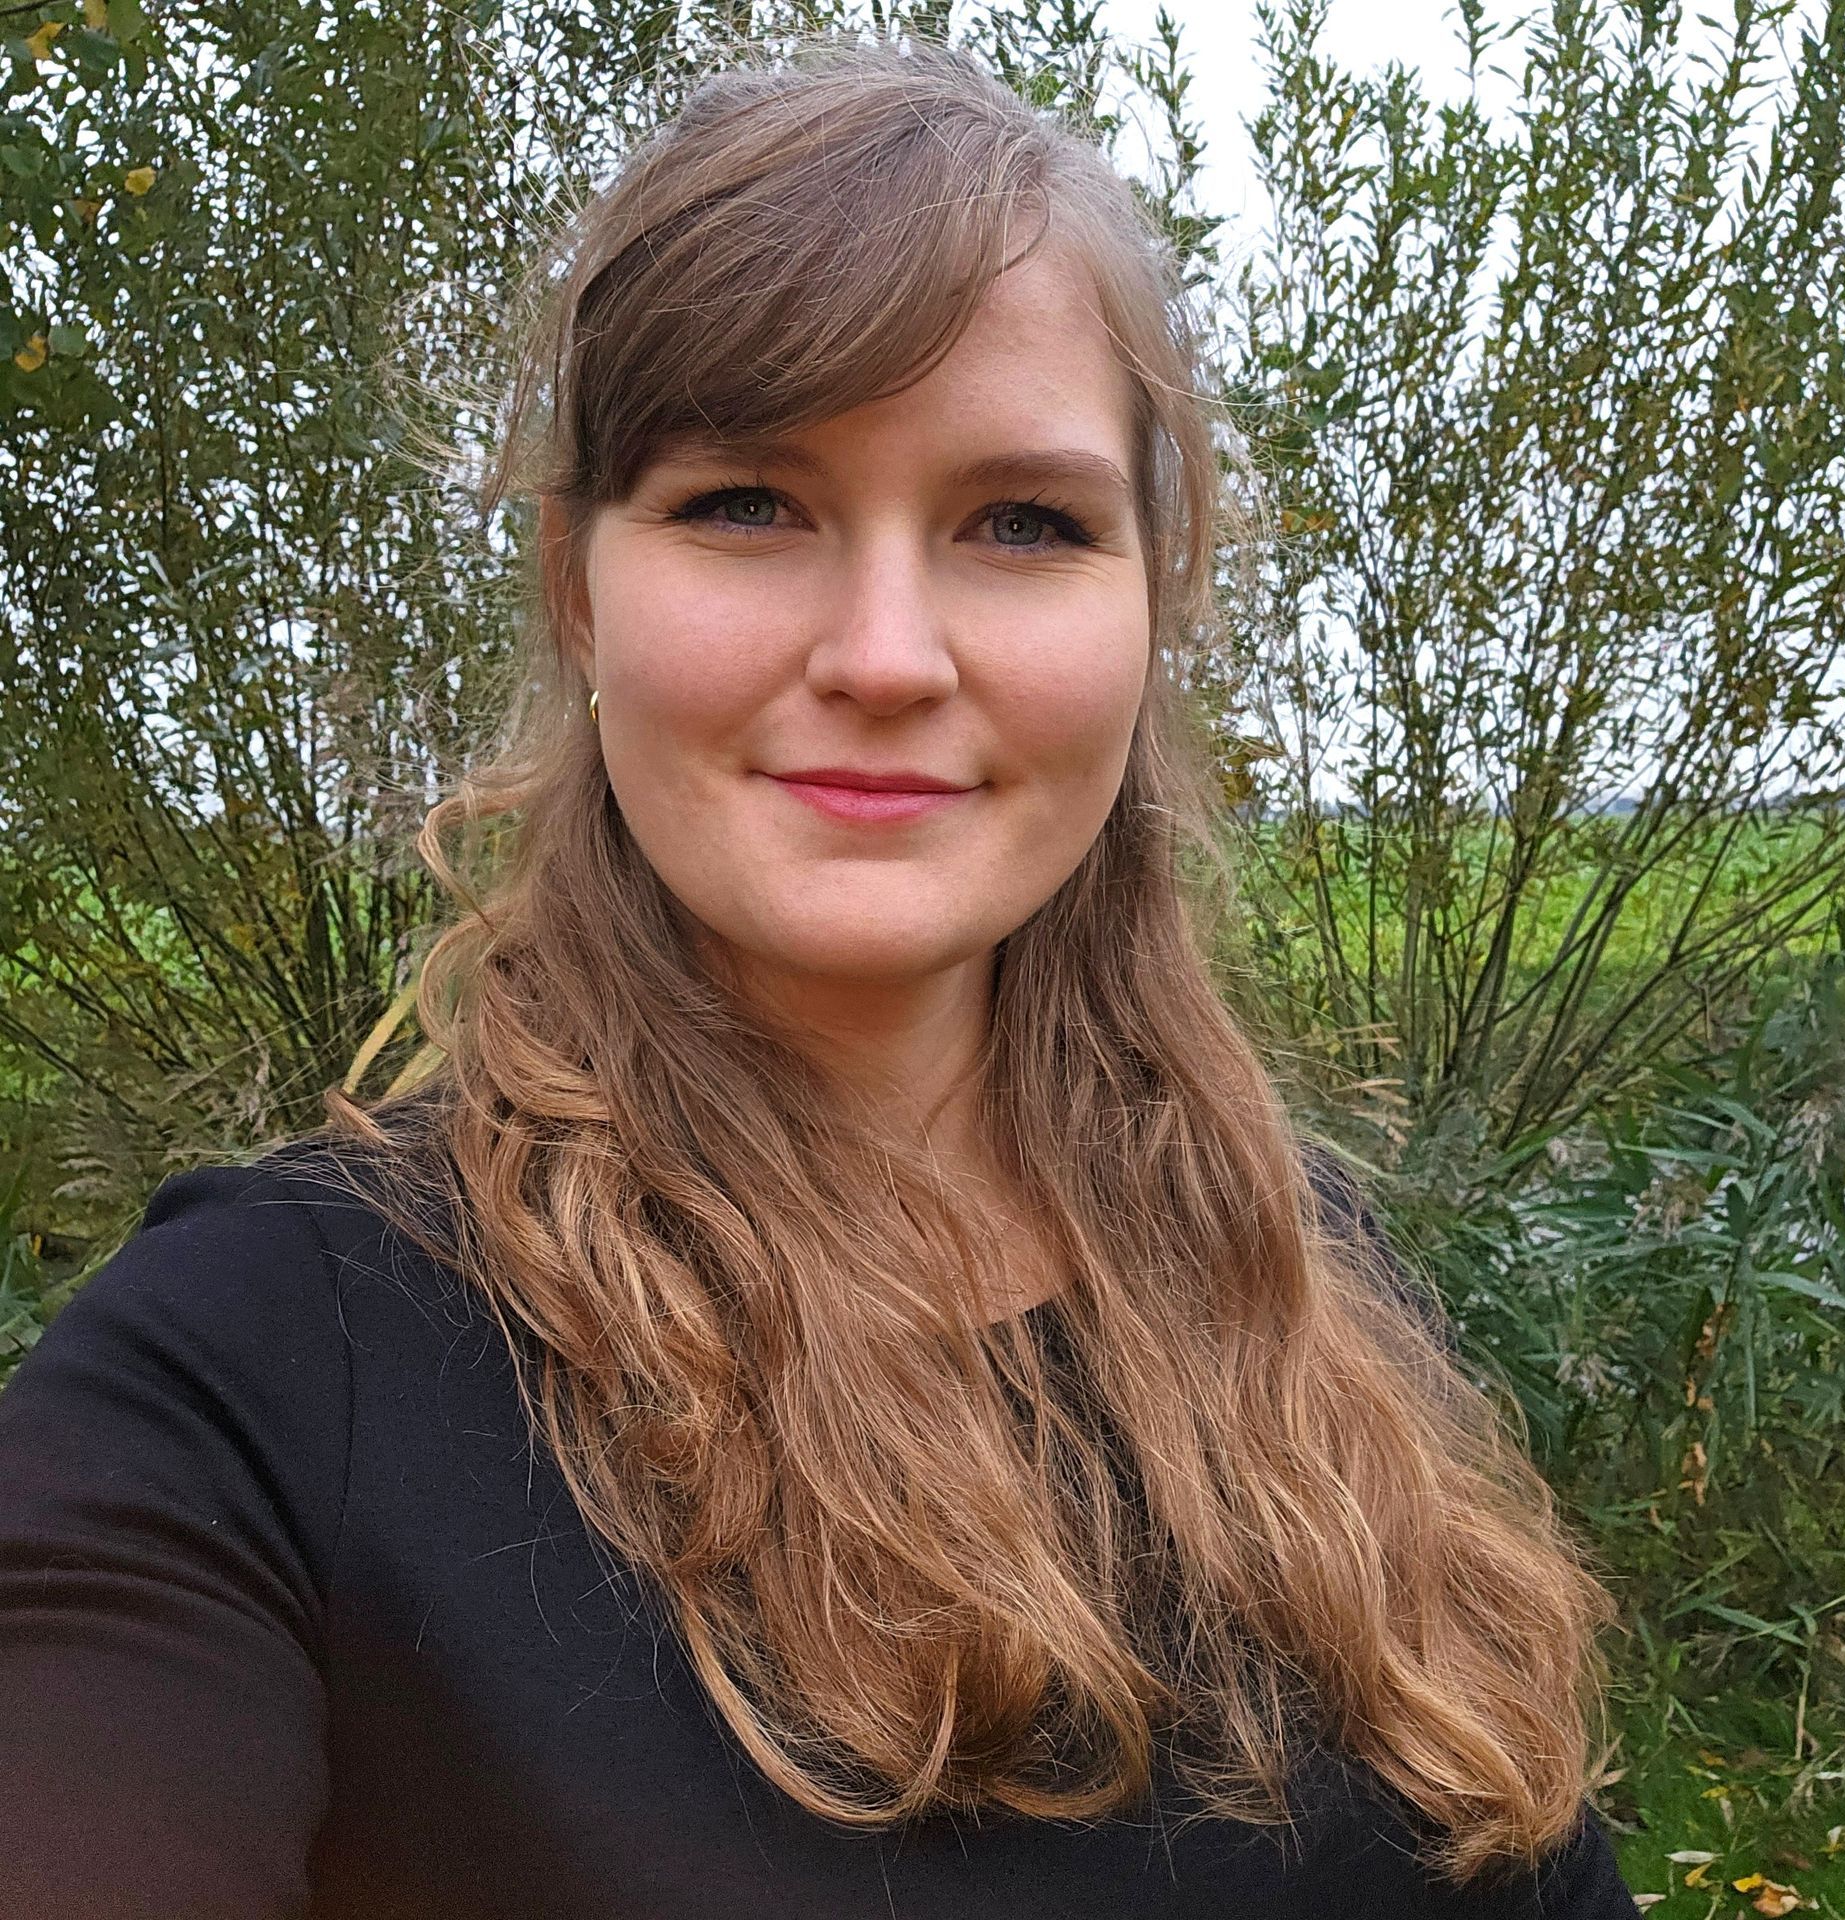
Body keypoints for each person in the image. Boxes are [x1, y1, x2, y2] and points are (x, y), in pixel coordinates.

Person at [0, 32, 1640, 1919]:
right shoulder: (261, 1380)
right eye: (746, 504)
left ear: (1151, 603)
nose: (884, 654)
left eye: (1022, 523)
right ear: (577, 586)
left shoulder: (1294, 1273)